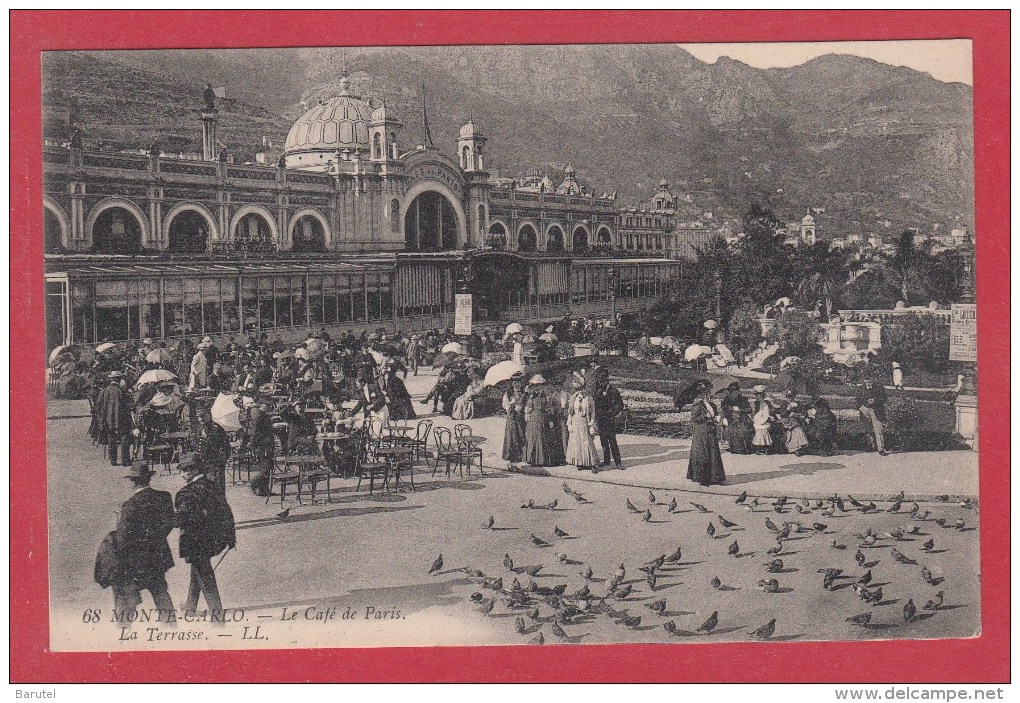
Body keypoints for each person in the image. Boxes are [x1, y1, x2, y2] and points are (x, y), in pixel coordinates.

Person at [111, 461, 177, 625]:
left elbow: (123, 537)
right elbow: (169, 523)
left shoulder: (130, 505)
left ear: (133, 482)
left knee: (126, 598)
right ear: (148, 478)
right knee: (161, 593)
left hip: (136, 560)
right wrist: (155, 538)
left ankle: (123, 632)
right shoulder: (164, 497)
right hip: (158, 555)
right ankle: (171, 628)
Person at [174, 453, 235, 620]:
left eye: (183, 470)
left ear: (192, 471)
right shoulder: (213, 485)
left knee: (205, 578)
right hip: (213, 540)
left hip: (195, 542)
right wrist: (231, 537)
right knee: (198, 572)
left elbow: (183, 519)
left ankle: (218, 618)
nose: (181, 474)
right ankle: (190, 607)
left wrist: (166, 519)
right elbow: (226, 511)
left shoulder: (185, 493)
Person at [686, 381, 726, 486]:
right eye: (706, 394)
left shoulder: (712, 405)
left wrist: (717, 418)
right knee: (702, 453)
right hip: (701, 432)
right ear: (702, 395)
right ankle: (702, 478)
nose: (708, 396)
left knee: (713, 453)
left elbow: (715, 415)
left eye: (709, 393)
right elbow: (695, 419)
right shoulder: (698, 406)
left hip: (711, 431)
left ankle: (714, 477)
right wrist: (705, 416)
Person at [94, 371, 134, 466]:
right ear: (119, 379)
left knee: (111, 438)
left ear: (111, 379)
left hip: (108, 419)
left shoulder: (103, 391)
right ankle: (125, 460)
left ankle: (113, 460)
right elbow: (129, 405)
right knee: (124, 438)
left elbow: (98, 405)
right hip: (121, 418)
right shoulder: (122, 391)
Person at [565, 373, 599, 472]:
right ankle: (579, 462)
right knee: (577, 442)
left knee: (587, 441)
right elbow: (570, 411)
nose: (580, 391)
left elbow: (592, 412)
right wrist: (569, 423)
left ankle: (591, 463)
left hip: (584, 421)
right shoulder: (573, 398)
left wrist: (592, 424)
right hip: (576, 421)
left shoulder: (589, 398)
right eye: (578, 390)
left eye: (582, 389)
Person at [592, 369, 625, 470]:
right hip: (601, 419)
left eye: (603, 381)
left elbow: (620, 405)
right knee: (603, 441)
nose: (601, 383)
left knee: (612, 441)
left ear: (607, 380)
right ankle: (606, 461)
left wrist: (612, 413)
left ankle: (618, 462)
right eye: (600, 381)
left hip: (609, 419)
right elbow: (595, 404)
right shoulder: (598, 391)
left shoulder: (613, 391)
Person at [198, 408, 232, 495]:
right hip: (203, 464)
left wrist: (220, 461)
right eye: (198, 416)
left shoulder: (217, 429)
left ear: (209, 415)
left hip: (215, 464)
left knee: (217, 489)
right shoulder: (199, 428)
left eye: (203, 416)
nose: (201, 419)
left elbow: (226, 448)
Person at [523, 376, 553, 467]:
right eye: (536, 385)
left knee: (543, 437)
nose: (538, 387)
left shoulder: (545, 396)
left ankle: (543, 460)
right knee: (534, 437)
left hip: (543, 418)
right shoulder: (531, 397)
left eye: (540, 385)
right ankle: (533, 459)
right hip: (534, 418)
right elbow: (528, 409)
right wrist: (528, 418)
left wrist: (550, 419)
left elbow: (548, 408)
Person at [856, 376, 888, 456]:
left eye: (869, 379)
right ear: (864, 380)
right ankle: (871, 445)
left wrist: (875, 401)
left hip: (876, 410)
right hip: (865, 410)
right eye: (866, 379)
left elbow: (884, 398)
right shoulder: (861, 388)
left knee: (878, 429)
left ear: (873, 379)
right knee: (868, 428)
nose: (868, 381)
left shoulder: (879, 387)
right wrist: (861, 408)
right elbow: (857, 399)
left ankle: (881, 449)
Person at [720, 382, 754, 455]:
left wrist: (740, 409)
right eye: (733, 392)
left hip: (743, 418)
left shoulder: (743, 399)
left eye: (736, 392)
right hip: (731, 419)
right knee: (731, 430)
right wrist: (725, 415)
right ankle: (735, 449)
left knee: (744, 429)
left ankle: (745, 448)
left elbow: (749, 410)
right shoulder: (726, 400)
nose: (735, 394)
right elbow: (724, 411)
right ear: (730, 392)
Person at [751, 385, 774, 455]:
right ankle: (759, 447)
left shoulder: (767, 403)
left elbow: (772, 411)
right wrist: (757, 420)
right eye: (758, 395)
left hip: (767, 420)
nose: (759, 397)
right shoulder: (755, 404)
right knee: (760, 429)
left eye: (761, 395)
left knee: (765, 429)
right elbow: (753, 415)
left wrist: (770, 416)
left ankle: (765, 447)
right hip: (757, 421)